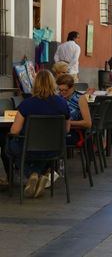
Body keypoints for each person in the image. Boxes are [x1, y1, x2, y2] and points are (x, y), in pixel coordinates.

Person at [5, 70, 70, 198]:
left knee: (9, 148)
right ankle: (39, 175)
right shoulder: (62, 103)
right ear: (53, 84)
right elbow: (66, 129)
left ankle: (32, 174)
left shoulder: (27, 104)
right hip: (55, 149)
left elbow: (14, 130)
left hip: (29, 148)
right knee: (41, 154)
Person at [56, 74, 92, 147]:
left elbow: (88, 123)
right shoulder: (58, 97)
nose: (62, 93)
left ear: (72, 87)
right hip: (59, 131)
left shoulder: (80, 98)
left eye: (65, 90)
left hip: (75, 132)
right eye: (60, 90)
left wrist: (68, 122)